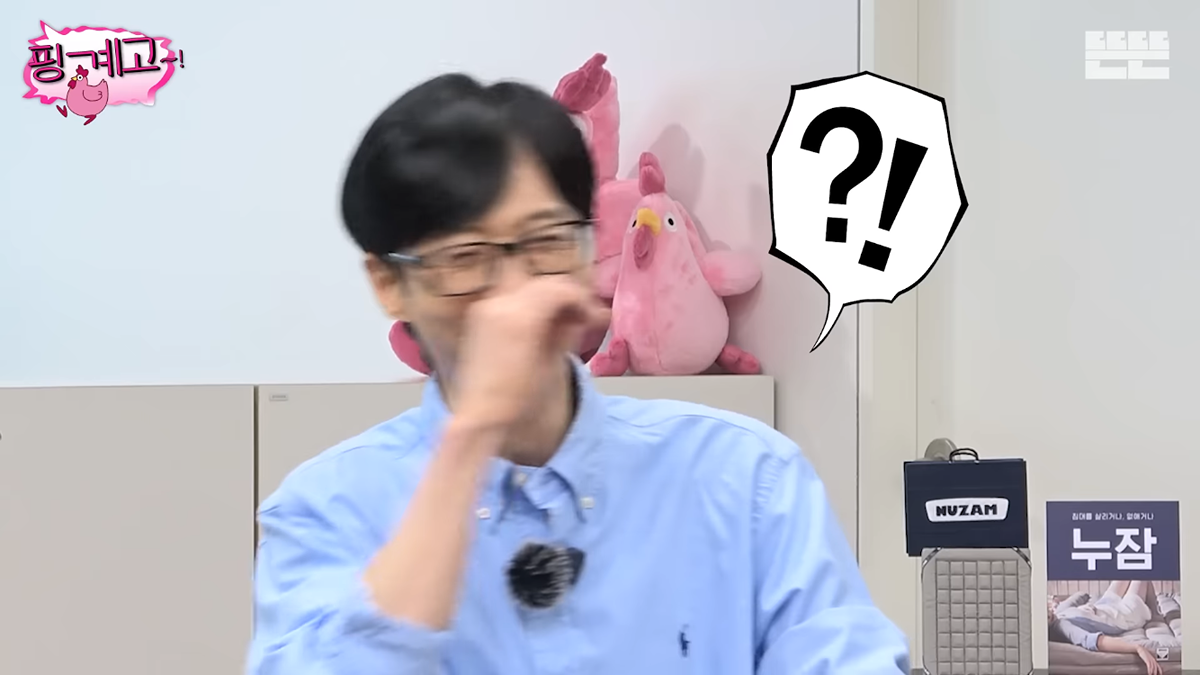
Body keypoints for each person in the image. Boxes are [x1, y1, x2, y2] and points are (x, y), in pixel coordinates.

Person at [245, 72, 910, 674]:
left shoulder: (745, 478)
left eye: (546, 243)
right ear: (388, 283)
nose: (515, 293)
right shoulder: (326, 510)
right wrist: (469, 438)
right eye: (465, 257)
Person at [1048, 580, 1163, 675]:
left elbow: (1067, 603)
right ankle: (1155, 612)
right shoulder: (1062, 627)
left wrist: (1054, 603)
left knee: (1128, 569)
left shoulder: (1057, 614)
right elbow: (1094, 641)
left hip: (1103, 606)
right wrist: (1138, 648)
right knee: (1141, 575)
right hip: (1123, 616)